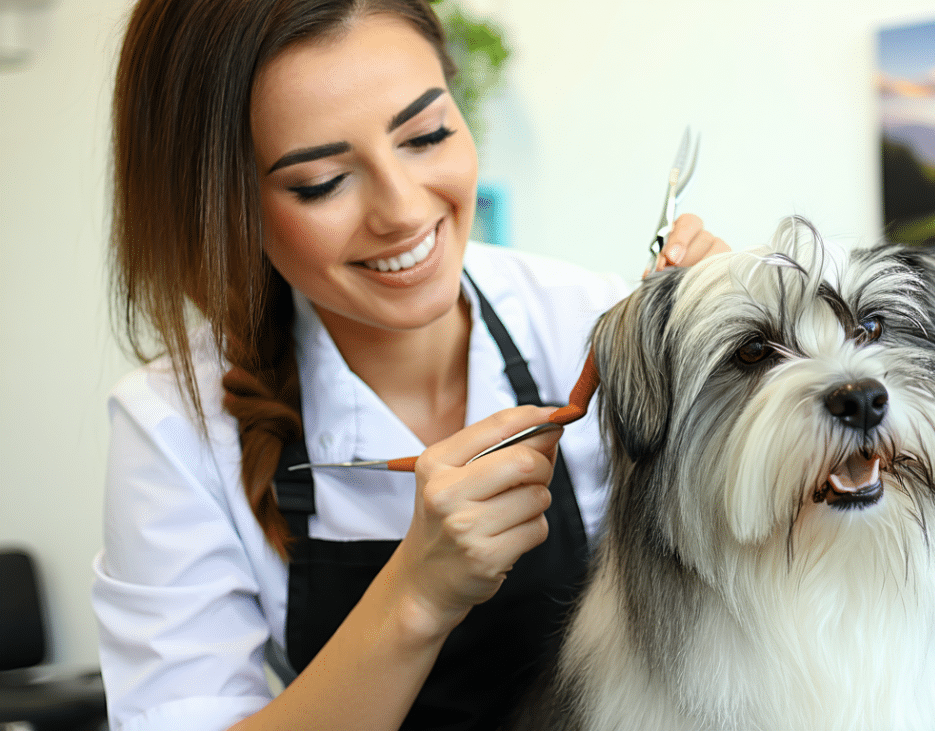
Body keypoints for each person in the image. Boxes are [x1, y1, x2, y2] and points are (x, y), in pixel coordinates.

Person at [91, 1, 728, 730]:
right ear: (223, 204)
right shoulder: (174, 427)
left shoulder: (583, 317)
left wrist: (739, 364)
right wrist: (417, 593)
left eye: (426, 135)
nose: (401, 210)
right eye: (323, 181)